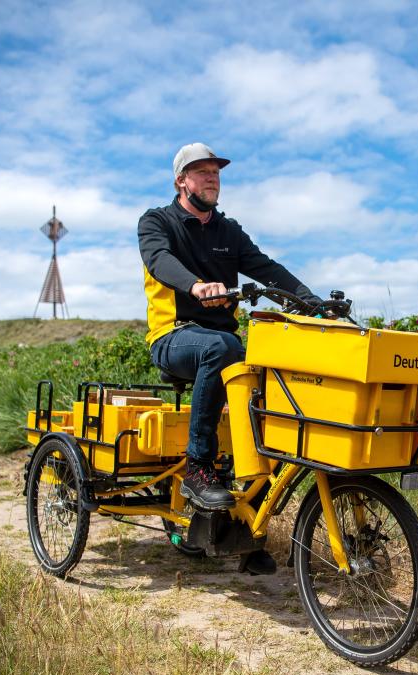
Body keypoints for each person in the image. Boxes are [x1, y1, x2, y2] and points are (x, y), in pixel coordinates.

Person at [137, 143, 320, 573]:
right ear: (181, 181)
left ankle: (247, 531)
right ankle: (199, 467)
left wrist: (309, 300)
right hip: (174, 338)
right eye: (201, 172)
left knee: (274, 370)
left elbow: (265, 266)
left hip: (223, 345)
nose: (212, 178)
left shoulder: (227, 231)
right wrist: (196, 285)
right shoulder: (156, 222)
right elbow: (158, 260)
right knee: (223, 348)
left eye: (216, 172)